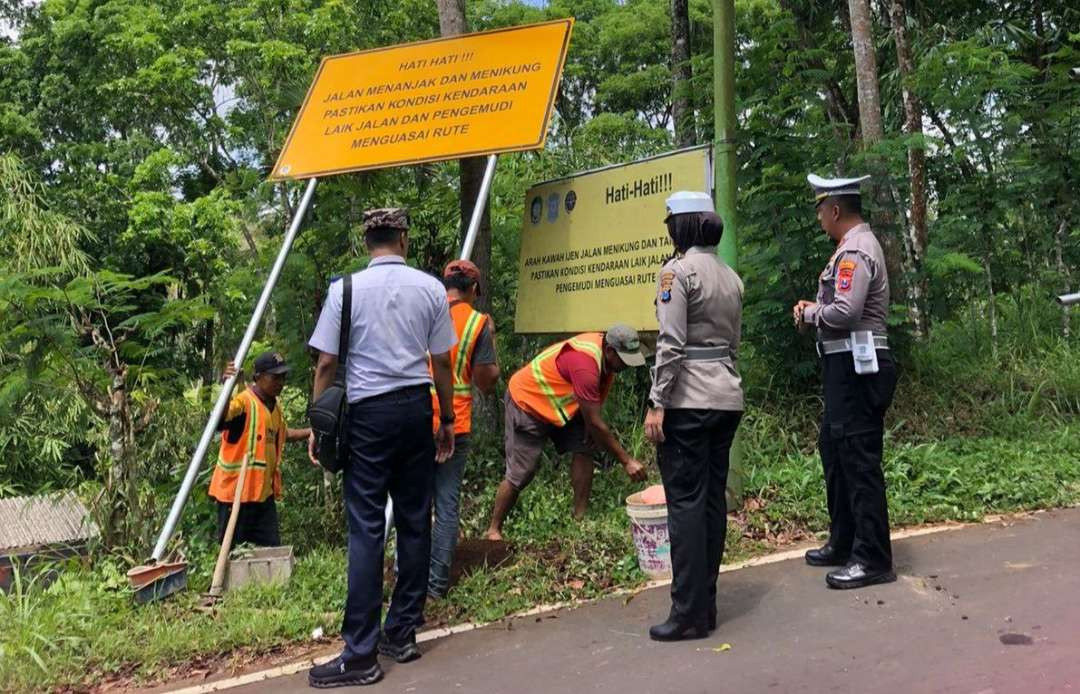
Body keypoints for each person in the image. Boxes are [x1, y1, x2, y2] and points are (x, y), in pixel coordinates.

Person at [306, 208, 457, 688]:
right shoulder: (431, 288)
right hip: (416, 409)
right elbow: (442, 363)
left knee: (367, 528)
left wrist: (318, 424)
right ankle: (402, 633)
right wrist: (447, 418)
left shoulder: (344, 290)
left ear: (367, 240)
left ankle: (360, 653)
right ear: (404, 240)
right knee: (415, 520)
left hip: (368, 415)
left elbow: (327, 362)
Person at [643, 192, 744, 641]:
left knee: (684, 503)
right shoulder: (731, 276)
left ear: (679, 228)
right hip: (726, 397)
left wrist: (657, 400)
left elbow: (671, 343)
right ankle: (706, 606)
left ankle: (686, 614)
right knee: (710, 503)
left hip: (687, 399)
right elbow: (734, 344)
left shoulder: (676, 273)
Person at [793, 174, 898, 590]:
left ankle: (872, 557)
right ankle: (845, 540)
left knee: (858, 459)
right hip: (844, 370)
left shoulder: (855, 250)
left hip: (859, 371)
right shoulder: (850, 248)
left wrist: (810, 314)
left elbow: (845, 312)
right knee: (835, 452)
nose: (819, 217)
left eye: (820, 209)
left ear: (835, 210)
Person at [484, 325, 649, 541]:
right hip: (528, 402)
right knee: (521, 473)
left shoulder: (606, 360)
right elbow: (595, 421)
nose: (627, 366)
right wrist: (626, 461)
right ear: (610, 350)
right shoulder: (585, 364)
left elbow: (593, 413)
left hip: (561, 404)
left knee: (585, 447)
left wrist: (592, 429)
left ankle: (578, 519)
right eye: (624, 359)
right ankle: (494, 529)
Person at [427, 259, 500, 599]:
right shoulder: (476, 323)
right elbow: (486, 382)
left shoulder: (423, 311)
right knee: (446, 503)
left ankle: (404, 577)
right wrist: (492, 345)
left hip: (413, 418)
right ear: (473, 289)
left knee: (412, 501)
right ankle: (436, 586)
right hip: (452, 423)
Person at [208, 351, 311, 547]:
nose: (280, 382)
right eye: (275, 377)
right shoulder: (244, 403)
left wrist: (311, 432)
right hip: (236, 497)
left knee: (270, 551)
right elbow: (219, 419)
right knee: (234, 555)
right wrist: (227, 387)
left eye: (283, 377)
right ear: (258, 377)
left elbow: (283, 434)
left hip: (262, 496)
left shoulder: (274, 407)